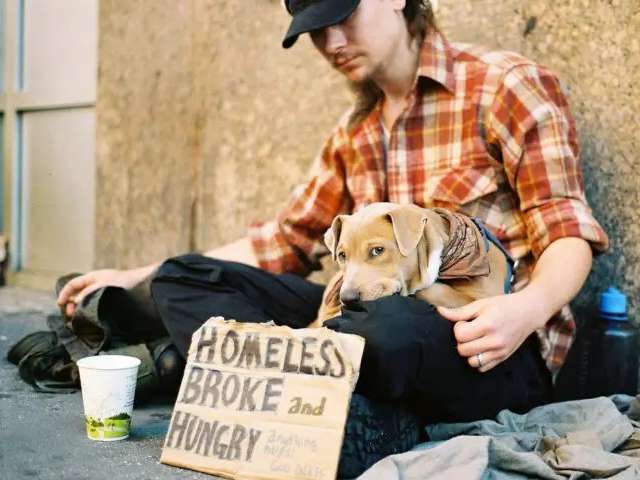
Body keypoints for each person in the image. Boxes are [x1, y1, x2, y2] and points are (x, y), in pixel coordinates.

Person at [55, 0, 607, 448]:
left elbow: (567, 233)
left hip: (482, 345)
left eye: (341, 16)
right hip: (364, 322)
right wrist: (138, 274)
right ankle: (310, 390)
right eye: (316, 30)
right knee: (185, 279)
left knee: (389, 326)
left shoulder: (505, 85)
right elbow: (284, 239)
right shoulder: (354, 130)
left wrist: (521, 310)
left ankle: (208, 369)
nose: (332, 43)